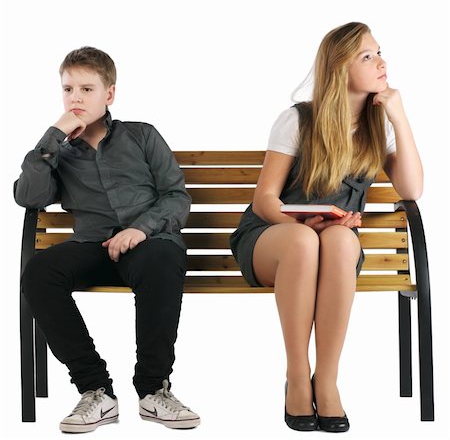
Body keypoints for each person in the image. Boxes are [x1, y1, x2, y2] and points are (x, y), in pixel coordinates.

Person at [230, 22, 423, 433]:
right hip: (275, 238)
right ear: (339, 68)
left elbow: (412, 188)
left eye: (379, 52)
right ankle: (298, 377)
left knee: (336, 239)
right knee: (304, 239)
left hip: (333, 244)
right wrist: (300, 220)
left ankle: (328, 380)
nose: (381, 62)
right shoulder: (298, 120)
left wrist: (399, 117)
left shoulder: (379, 126)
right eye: (367, 56)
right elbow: (265, 200)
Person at [14, 47, 200, 433]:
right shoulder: (58, 154)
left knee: (161, 258)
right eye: (68, 90)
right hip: (92, 246)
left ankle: (153, 390)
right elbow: (28, 197)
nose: (76, 98)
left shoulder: (142, 135)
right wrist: (53, 137)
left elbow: (176, 196)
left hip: (149, 247)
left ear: (109, 94)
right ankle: (95, 390)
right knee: (39, 271)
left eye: (86, 88)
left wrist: (141, 229)